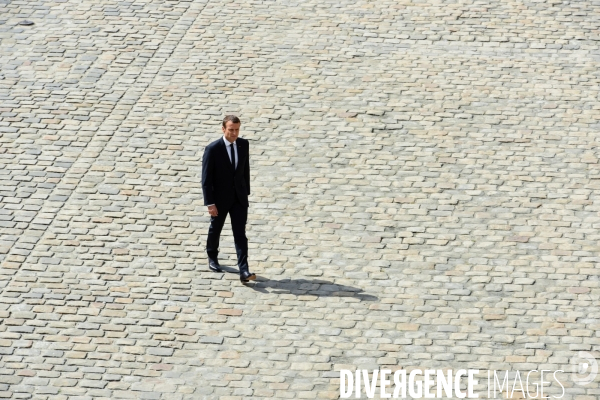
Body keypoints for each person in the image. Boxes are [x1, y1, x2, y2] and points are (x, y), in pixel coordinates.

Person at [201, 115, 256, 282]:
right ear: (223, 129)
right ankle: (212, 256)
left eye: (237, 130)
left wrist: (245, 192)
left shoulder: (243, 144)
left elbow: (244, 169)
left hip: (239, 198)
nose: (234, 133)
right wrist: (210, 203)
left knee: (240, 234)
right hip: (219, 199)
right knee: (215, 228)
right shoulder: (213, 149)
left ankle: (244, 270)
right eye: (231, 130)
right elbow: (206, 179)